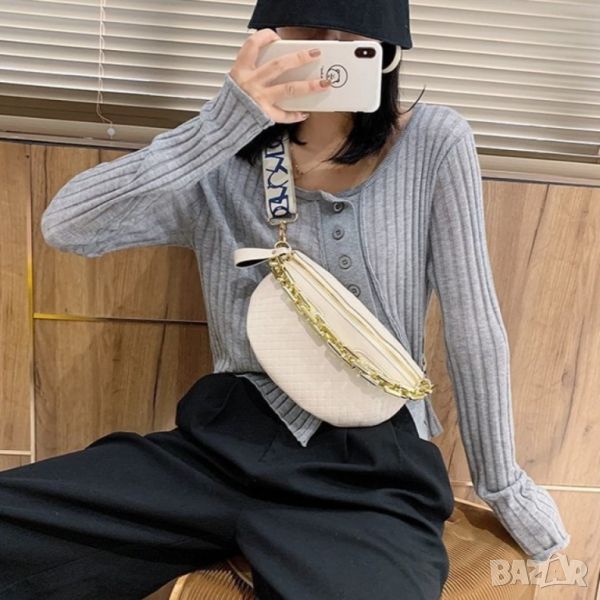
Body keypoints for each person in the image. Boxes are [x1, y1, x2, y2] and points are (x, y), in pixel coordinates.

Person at [0, 4, 570, 600]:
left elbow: (473, 325)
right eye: (307, 30)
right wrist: (223, 124)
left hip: (371, 467)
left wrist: (503, 485)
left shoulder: (432, 142)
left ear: (386, 49)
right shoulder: (219, 156)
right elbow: (69, 226)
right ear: (268, 36)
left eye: (351, 35)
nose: (325, 48)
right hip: (220, 445)